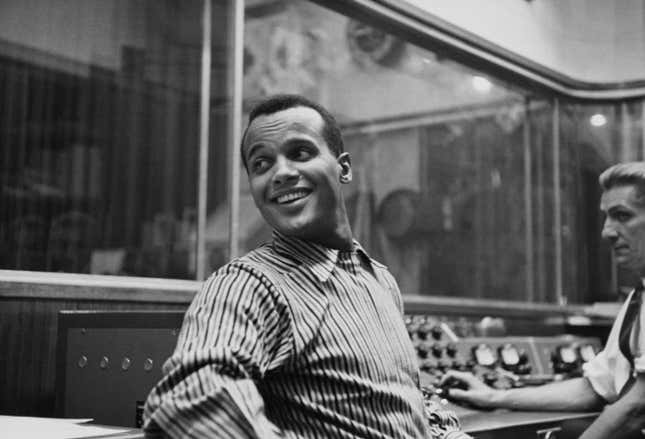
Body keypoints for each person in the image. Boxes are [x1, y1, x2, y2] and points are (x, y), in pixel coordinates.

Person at [143, 94, 470, 439]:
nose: (280, 173)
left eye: (300, 153)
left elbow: (404, 406)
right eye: (261, 164)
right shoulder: (249, 283)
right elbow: (186, 405)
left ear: (343, 168)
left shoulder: (379, 279)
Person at [441, 161, 645, 439]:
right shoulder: (638, 299)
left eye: (622, 216)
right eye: (606, 217)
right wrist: (494, 397)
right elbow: (593, 388)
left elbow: (637, 408)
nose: (606, 231)